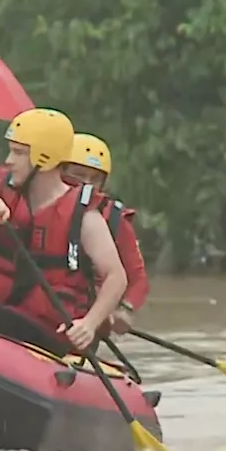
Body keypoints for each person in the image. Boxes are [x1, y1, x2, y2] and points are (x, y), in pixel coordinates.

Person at [0, 108, 129, 354]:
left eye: (18, 153)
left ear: (44, 157)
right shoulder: (1, 189)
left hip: (45, 327)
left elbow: (116, 277)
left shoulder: (84, 216)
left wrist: (89, 324)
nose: (9, 160)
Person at [61, 133, 150, 332]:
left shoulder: (115, 220)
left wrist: (125, 309)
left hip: (83, 319)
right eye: (77, 174)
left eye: (94, 179)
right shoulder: (39, 202)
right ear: (60, 170)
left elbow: (138, 278)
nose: (86, 184)